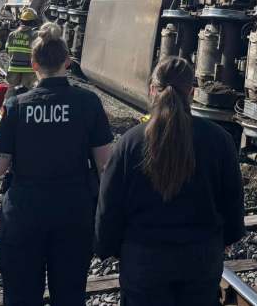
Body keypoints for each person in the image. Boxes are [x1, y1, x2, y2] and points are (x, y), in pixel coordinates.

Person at [94, 56, 246, 306]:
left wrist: (108, 247)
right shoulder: (220, 140)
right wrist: (227, 238)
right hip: (200, 259)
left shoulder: (129, 143)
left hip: (144, 261)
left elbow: (108, 206)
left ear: (152, 90)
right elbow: (232, 201)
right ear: (192, 93)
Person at [0, 23, 112, 305]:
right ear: (67, 61)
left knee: (21, 296)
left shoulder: (15, 105)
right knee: (70, 295)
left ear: (34, 64)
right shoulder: (88, 103)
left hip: (24, 216)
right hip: (74, 215)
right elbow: (105, 166)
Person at [5, 8, 38, 90]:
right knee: (26, 90)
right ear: (33, 22)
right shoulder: (34, 35)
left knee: (11, 89)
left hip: (13, 67)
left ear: (21, 21)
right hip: (28, 68)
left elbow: (7, 49)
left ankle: (9, 99)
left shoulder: (12, 34)